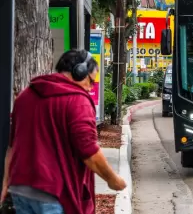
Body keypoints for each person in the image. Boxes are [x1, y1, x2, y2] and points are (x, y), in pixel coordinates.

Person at [1, 49, 126, 214]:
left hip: (19, 190)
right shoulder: (78, 100)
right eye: (91, 81)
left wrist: (5, 186)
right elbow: (89, 153)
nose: (90, 88)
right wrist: (113, 180)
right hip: (53, 194)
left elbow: (12, 147)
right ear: (80, 72)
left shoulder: (25, 96)